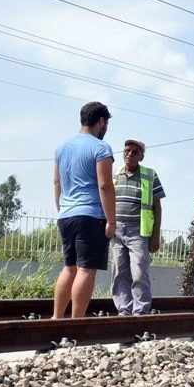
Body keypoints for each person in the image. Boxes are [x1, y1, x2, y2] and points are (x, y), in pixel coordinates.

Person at [53, 102, 115, 318]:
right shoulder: (100, 148)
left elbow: (56, 183)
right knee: (86, 269)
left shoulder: (62, 147)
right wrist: (111, 220)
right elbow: (105, 185)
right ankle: (76, 323)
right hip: (90, 215)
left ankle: (56, 318)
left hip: (66, 215)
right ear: (101, 121)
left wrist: (62, 209)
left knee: (69, 268)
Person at [110, 138, 165, 315]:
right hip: (117, 230)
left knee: (139, 271)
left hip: (138, 231)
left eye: (135, 152)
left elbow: (157, 206)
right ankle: (124, 310)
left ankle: (140, 311)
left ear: (141, 157)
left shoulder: (150, 175)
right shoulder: (114, 174)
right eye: (127, 150)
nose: (130, 154)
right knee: (119, 272)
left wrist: (156, 236)